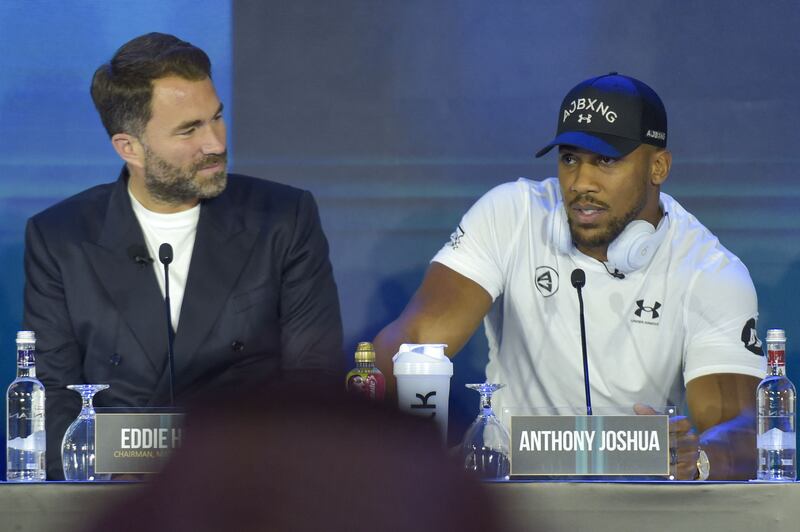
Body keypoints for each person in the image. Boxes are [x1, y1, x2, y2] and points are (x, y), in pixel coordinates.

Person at [374, 73, 766, 480]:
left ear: (658, 167)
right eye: (569, 158)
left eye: (607, 161)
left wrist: (696, 458)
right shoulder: (513, 214)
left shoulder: (710, 270)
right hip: (511, 498)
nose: (581, 182)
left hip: (639, 499)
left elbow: (744, 431)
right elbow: (413, 343)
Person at [23, 33, 343, 479]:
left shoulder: (283, 218)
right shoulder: (61, 237)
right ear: (129, 147)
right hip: (115, 493)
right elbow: (52, 397)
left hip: (252, 485)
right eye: (189, 129)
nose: (214, 143)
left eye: (216, 118)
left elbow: (313, 378)